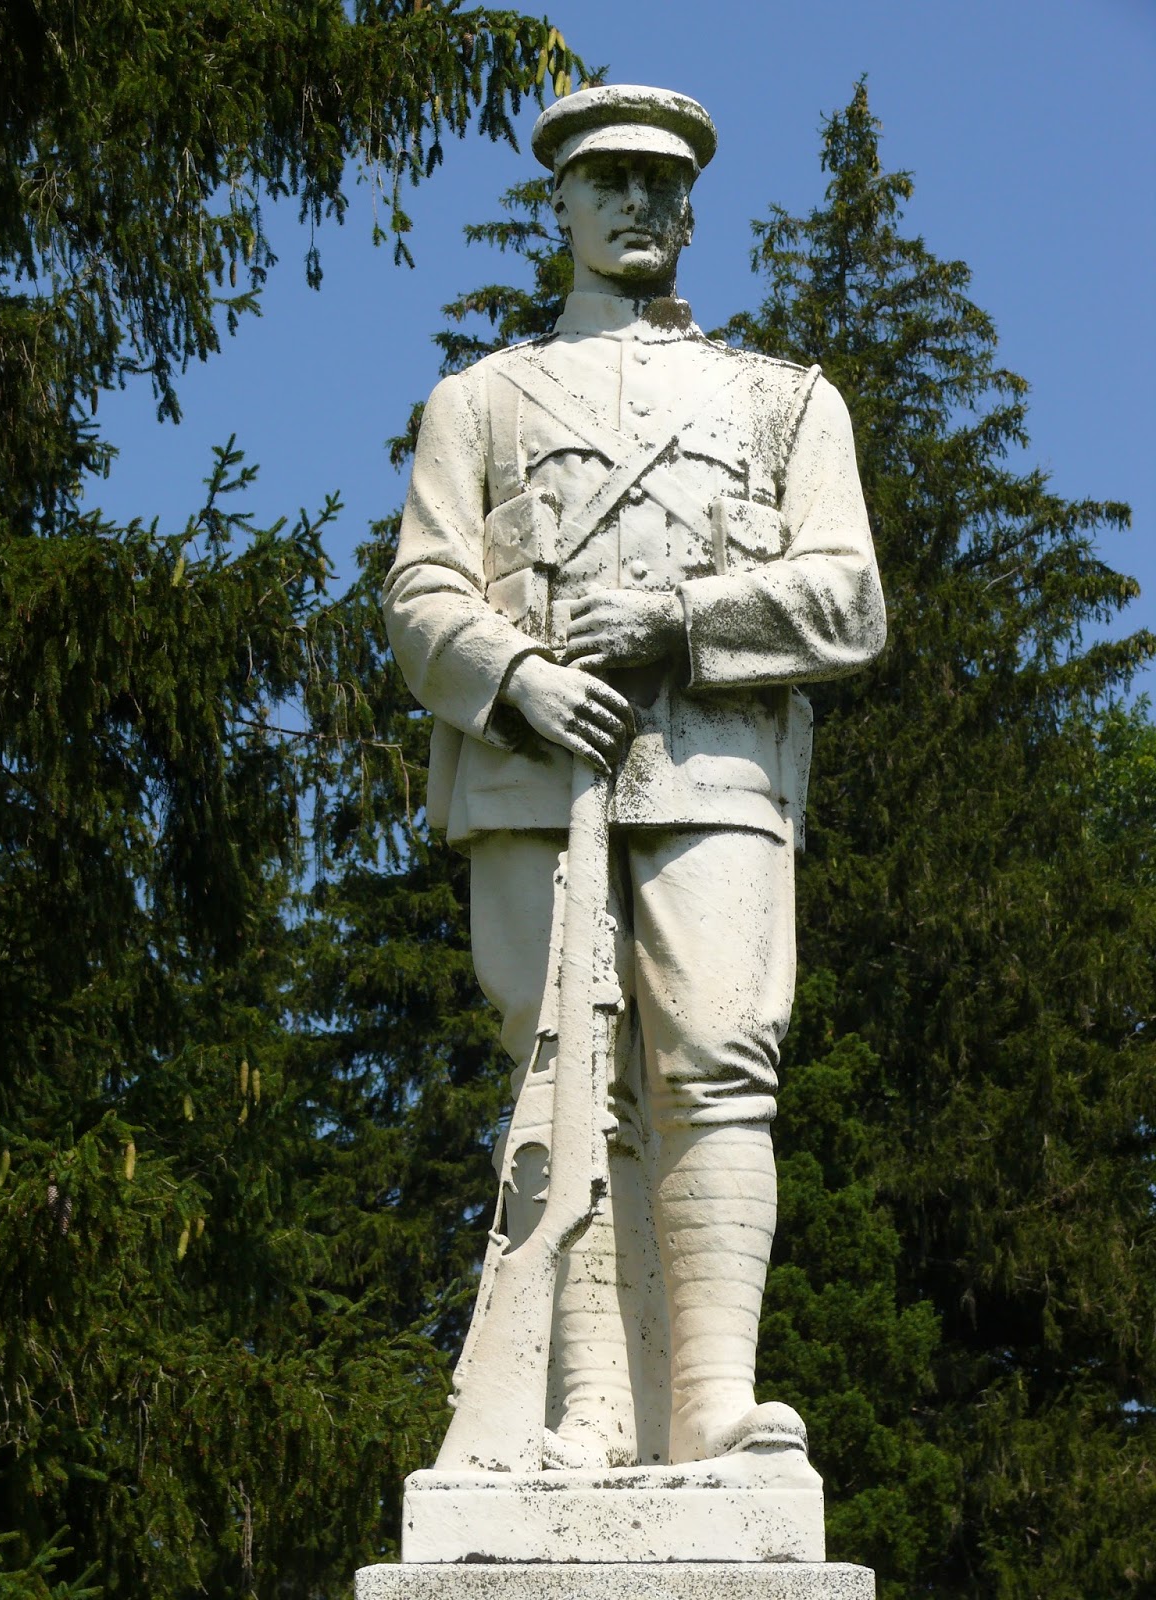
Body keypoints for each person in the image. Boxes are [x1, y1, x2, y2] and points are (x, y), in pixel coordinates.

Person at [383, 84, 886, 1470]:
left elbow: (849, 600)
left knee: (721, 1063)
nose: (636, 201)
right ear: (561, 200)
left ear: (693, 210)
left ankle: (713, 1401)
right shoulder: (479, 401)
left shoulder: (785, 402)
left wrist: (681, 619)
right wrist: (517, 679)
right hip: (535, 779)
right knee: (570, 1081)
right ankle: (593, 1407)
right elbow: (421, 595)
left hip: (717, 772)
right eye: (607, 177)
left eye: (661, 181)